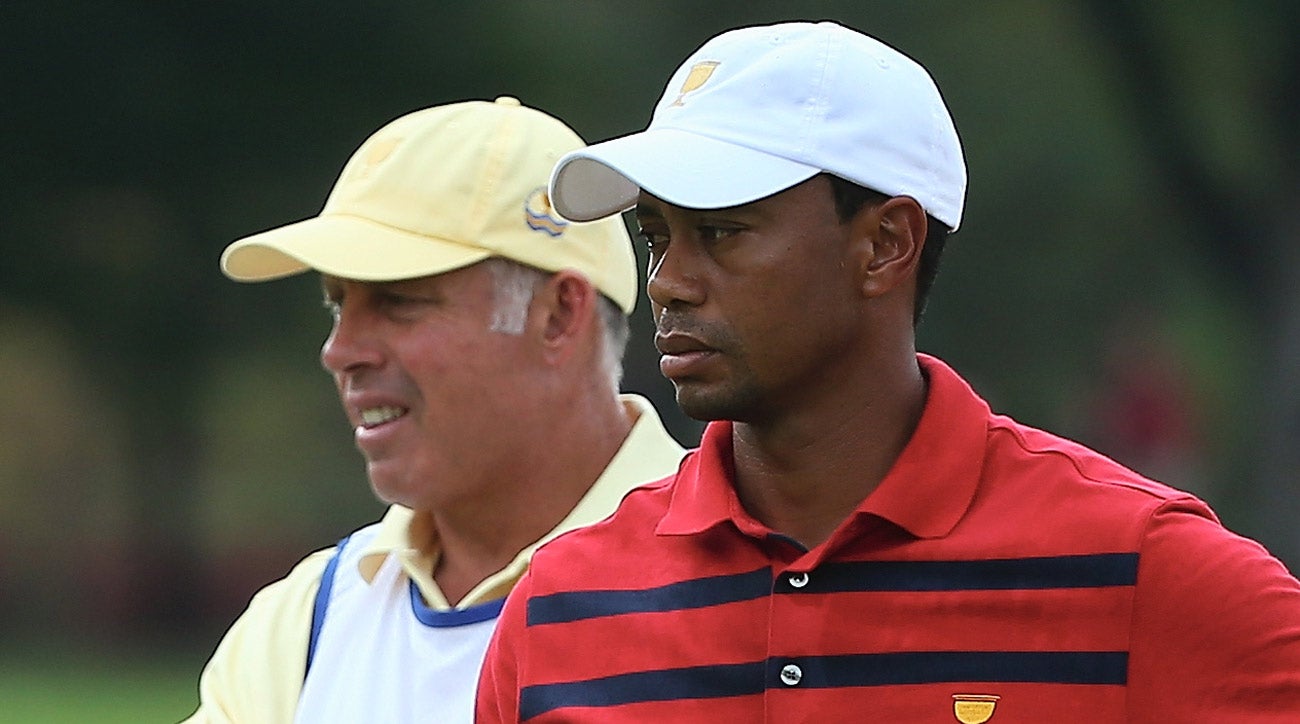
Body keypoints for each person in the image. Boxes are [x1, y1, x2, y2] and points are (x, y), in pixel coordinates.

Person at [475, 21, 1300, 723]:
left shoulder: (1144, 569)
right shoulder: (558, 608)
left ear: (885, 244)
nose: (668, 282)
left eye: (721, 233)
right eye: (657, 237)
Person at [182, 97, 685, 724]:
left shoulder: (746, 575)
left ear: (558, 315)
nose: (340, 351)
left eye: (398, 302)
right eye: (338, 305)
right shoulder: (301, 623)